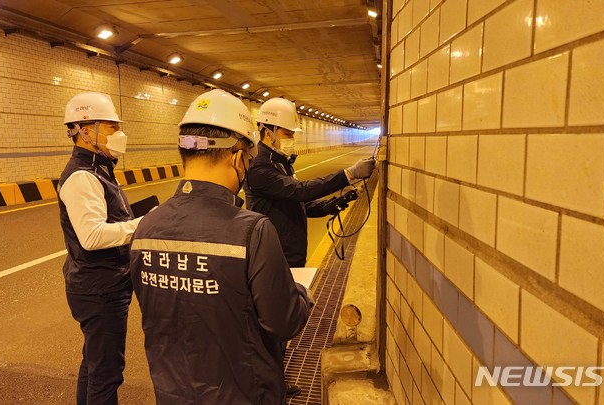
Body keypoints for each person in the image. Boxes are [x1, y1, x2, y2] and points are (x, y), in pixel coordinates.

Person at [129, 89, 313, 404]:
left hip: (172, 394)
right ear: (238, 157)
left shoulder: (147, 226)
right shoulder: (253, 231)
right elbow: (283, 322)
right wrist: (301, 294)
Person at [57, 92, 142, 404]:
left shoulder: (99, 168)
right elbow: (92, 236)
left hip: (101, 283)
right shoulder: (82, 176)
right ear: (85, 130)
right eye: (110, 127)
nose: (118, 134)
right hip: (99, 288)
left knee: (94, 365)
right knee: (106, 373)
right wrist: (145, 223)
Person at [244, 97, 375, 268]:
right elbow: (300, 191)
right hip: (273, 256)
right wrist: (348, 174)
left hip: (291, 252)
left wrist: (333, 204)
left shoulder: (281, 162)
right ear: (269, 132)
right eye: (288, 134)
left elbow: (298, 203)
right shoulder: (259, 167)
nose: (292, 139)